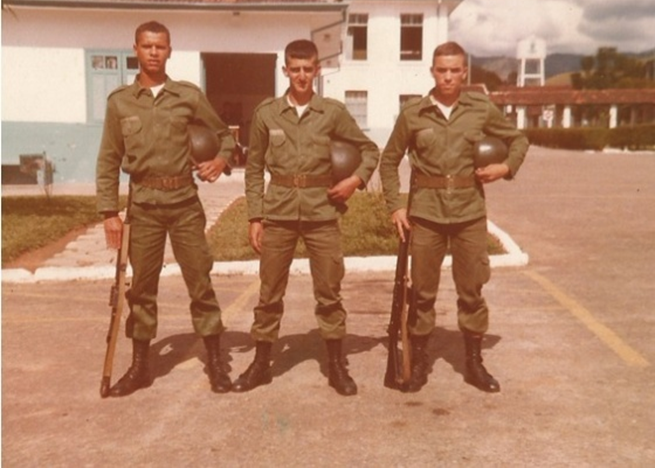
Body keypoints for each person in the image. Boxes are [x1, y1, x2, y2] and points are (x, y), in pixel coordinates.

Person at [379, 41, 529, 393]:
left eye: (454, 70)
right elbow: (388, 160)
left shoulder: (480, 109)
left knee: (472, 290)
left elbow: (518, 140)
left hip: (469, 213)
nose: (447, 77)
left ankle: (474, 362)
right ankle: (419, 362)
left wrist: (505, 167)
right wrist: (396, 206)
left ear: (464, 73)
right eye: (441, 70)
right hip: (426, 215)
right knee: (422, 293)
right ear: (432, 72)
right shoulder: (414, 113)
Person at [96, 21, 236, 397]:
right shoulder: (120, 102)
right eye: (147, 46)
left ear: (170, 51)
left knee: (200, 282)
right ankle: (140, 367)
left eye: (160, 46)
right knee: (142, 289)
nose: (154, 52)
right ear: (136, 50)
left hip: (184, 203)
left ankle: (216, 361)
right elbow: (108, 159)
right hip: (143, 206)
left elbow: (224, 135)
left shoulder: (187, 96)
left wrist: (221, 160)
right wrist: (109, 212)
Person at [237, 39, 380, 396]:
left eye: (308, 69)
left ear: (317, 70)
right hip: (279, 213)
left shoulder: (331, 112)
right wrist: (255, 216)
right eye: (295, 69)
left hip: (322, 212)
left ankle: (336, 365)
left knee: (329, 291)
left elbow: (368, 150)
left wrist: (354, 181)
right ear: (285, 70)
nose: (301, 76)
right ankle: (261, 363)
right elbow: (253, 169)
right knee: (269, 292)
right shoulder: (267, 114)